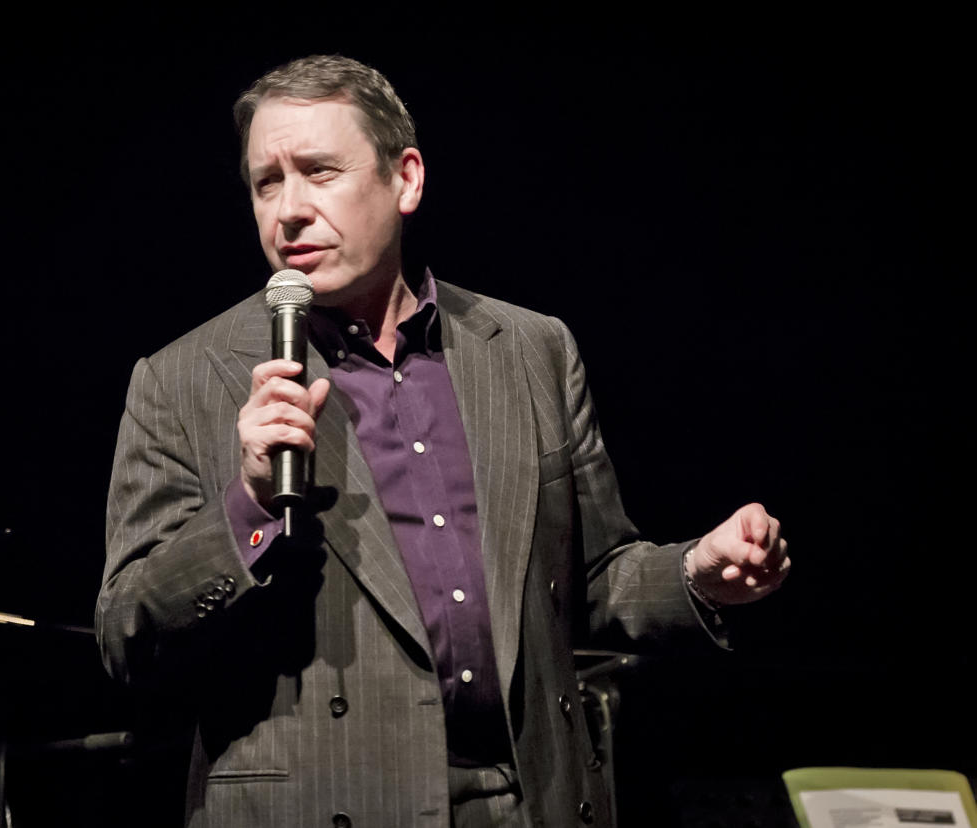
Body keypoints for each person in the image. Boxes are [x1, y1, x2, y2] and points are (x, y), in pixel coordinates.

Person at [96, 54, 789, 828]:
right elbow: (127, 636)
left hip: (530, 803)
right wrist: (248, 506)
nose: (287, 210)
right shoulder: (184, 379)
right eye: (267, 182)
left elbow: (594, 577)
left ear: (407, 179)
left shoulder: (529, 349)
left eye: (319, 172)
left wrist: (697, 573)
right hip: (325, 805)